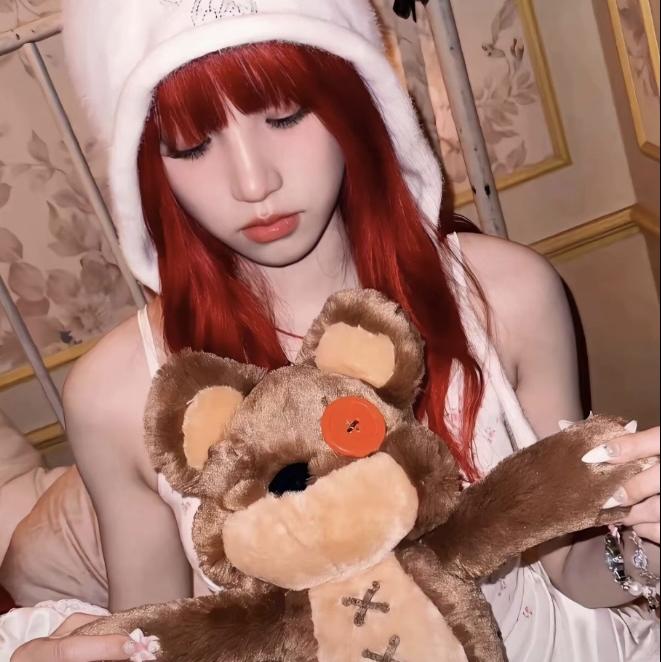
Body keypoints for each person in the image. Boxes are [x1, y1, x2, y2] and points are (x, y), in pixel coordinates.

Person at [3, 0, 659, 660]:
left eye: (285, 114)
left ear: (353, 97)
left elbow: (571, 571)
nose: (253, 181)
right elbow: (150, 641)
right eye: (193, 143)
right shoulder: (116, 396)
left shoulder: (506, 296)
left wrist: (646, 548)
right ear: (145, 164)